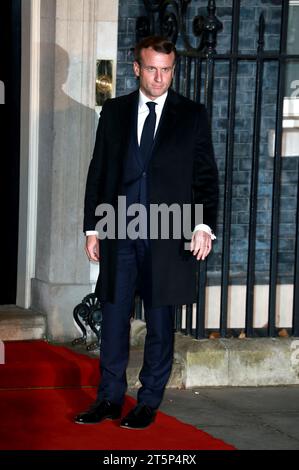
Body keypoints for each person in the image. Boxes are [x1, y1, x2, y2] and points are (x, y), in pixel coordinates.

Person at [75, 36, 218, 430]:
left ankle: (148, 400)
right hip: (119, 230)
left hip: (169, 233)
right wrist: (93, 228)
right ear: (137, 68)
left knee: (159, 322)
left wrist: (203, 225)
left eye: (167, 69)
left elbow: (205, 177)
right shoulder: (116, 111)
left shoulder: (191, 114)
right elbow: (98, 171)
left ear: (173, 69)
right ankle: (108, 397)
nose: (160, 77)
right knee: (114, 317)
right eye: (152, 68)